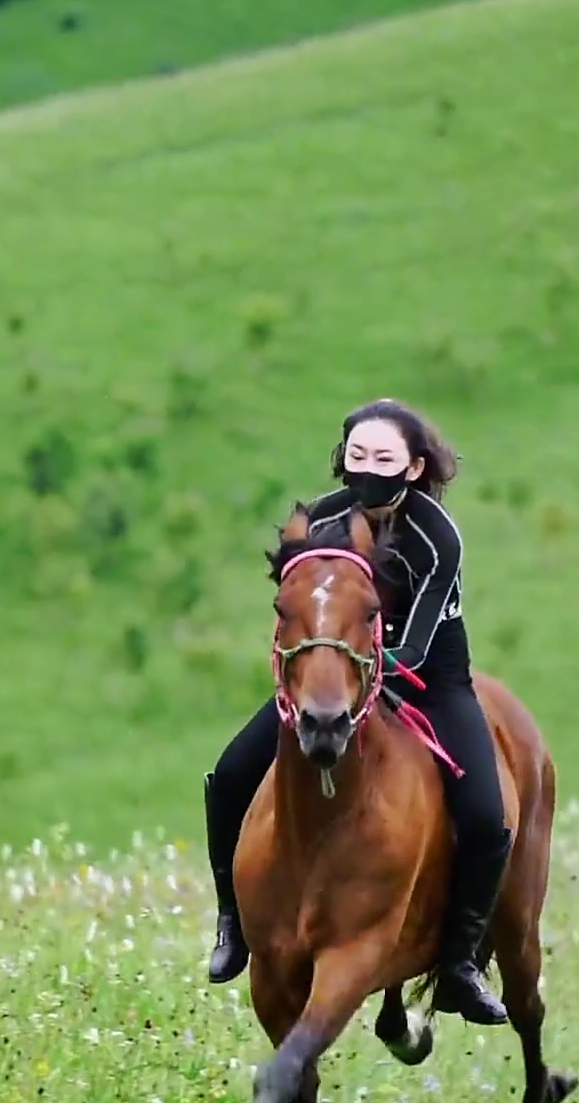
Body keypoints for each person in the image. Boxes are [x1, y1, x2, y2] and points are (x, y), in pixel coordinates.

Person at [202, 397, 511, 1024]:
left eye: (385, 457)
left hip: (429, 675)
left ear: (416, 466)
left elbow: (419, 644)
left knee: (485, 815)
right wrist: (322, 670)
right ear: (343, 457)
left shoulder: (437, 538)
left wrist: (363, 671)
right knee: (230, 775)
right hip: (338, 674)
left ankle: (459, 965)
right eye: (358, 454)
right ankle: (232, 921)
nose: (368, 466)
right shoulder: (323, 520)